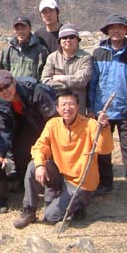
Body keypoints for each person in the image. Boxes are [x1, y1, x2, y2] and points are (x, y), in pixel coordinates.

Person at [13, 89, 113, 229]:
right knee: (33, 166)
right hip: (61, 175)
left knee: (51, 216)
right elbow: (40, 147)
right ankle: (29, 211)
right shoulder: (53, 124)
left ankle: (79, 206)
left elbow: (105, 149)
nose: (67, 108)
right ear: (57, 108)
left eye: (71, 104)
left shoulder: (90, 125)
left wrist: (104, 127)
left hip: (81, 183)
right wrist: (40, 165)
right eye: (63, 104)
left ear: (77, 106)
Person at [88, 14, 127, 210]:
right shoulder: (98, 53)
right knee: (102, 149)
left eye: (120, 27)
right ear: (107, 31)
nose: (116, 30)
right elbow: (92, 83)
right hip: (103, 112)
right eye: (112, 27)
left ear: (126, 30)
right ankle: (104, 183)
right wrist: (91, 108)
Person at [0, 69, 57, 189]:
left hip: (44, 122)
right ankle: (25, 184)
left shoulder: (36, 90)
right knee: (19, 149)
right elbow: (4, 128)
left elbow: (53, 119)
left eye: (6, 86)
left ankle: (53, 182)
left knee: (49, 149)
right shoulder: (0, 101)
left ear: (14, 82)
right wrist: (0, 153)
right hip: (24, 123)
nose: (4, 91)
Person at [41, 24, 92, 115]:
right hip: (56, 108)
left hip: (78, 108)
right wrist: (68, 86)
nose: (68, 40)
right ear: (60, 41)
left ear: (77, 40)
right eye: (64, 37)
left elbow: (82, 80)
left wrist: (60, 78)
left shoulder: (86, 58)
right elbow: (45, 80)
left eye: (71, 37)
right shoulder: (52, 58)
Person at [0, 16, 49, 81]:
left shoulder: (41, 51)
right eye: (17, 29)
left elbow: (45, 75)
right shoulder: (7, 50)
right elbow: (2, 74)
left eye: (23, 28)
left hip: (33, 87)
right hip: (13, 87)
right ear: (14, 30)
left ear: (30, 29)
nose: (20, 32)